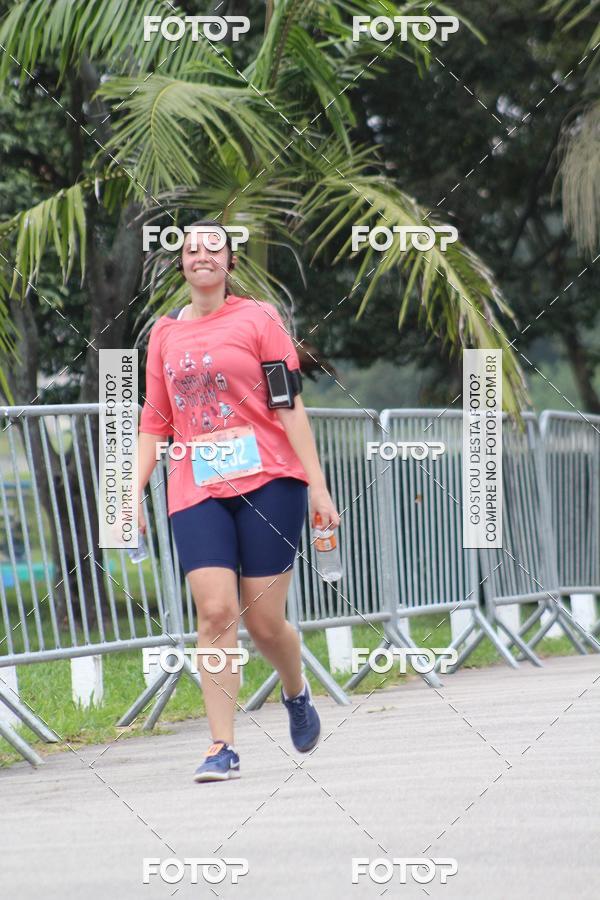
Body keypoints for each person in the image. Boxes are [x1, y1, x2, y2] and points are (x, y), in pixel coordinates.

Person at [137, 220, 340, 782]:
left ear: (229, 261)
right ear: (180, 263)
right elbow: (154, 422)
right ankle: (220, 746)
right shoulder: (162, 335)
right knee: (217, 612)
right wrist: (128, 493)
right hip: (195, 485)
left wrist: (318, 487)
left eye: (213, 247)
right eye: (190, 248)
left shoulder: (260, 320)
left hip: (271, 480)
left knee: (265, 621)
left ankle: (296, 693)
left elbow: (289, 406)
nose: (201, 254)